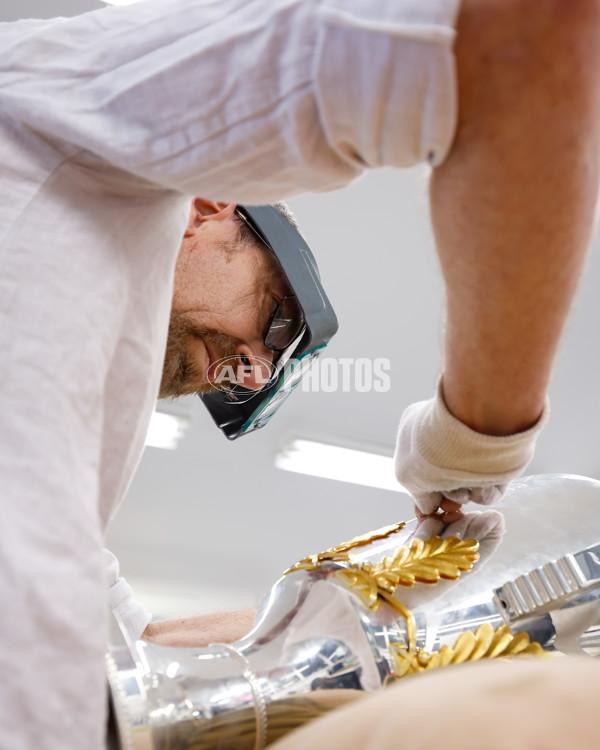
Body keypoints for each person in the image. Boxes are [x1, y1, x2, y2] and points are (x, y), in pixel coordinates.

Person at [2, 0, 600, 748]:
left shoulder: (59, 486)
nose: (249, 372)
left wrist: (392, 625)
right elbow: (509, 37)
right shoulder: (47, 102)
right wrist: (476, 435)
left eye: (265, 370)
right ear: (210, 207)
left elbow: (147, 650)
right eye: (276, 319)